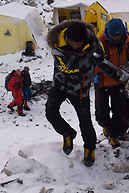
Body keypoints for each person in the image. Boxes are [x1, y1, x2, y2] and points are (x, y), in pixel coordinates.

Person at [46, 20, 104, 167]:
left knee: (85, 121)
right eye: (73, 44)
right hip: (60, 84)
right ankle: (67, 133)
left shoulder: (93, 43)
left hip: (80, 88)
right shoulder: (56, 42)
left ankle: (89, 148)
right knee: (50, 112)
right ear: (67, 39)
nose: (76, 47)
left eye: (79, 44)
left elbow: (102, 60)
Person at [95, 19, 129, 148]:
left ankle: (113, 135)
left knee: (120, 112)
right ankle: (106, 126)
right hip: (102, 81)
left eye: (118, 36)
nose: (115, 38)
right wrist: (114, 73)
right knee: (101, 113)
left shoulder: (127, 41)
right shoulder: (99, 43)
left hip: (120, 83)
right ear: (107, 33)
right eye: (113, 36)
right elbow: (98, 63)